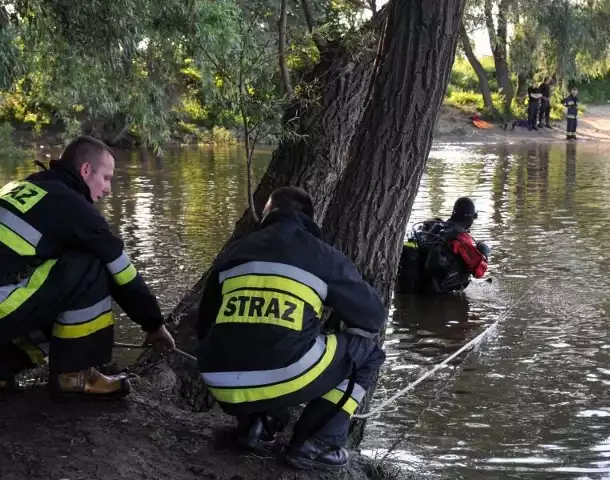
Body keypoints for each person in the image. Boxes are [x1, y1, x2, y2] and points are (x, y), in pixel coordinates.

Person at [195, 186, 386, 470]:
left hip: (219, 381)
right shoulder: (321, 255)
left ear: (267, 214)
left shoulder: (235, 251)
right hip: (281, 373)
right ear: (311, 218)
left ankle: (258, 424)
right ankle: (317, 443)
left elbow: (204, 324)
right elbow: (373, 316)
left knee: (262, 341)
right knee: (369, 354)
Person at [0, 135, 175, 399]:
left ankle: (3, 366)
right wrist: (154, 324)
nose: (108, 190)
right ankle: (76, 373)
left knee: (51, 277)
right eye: (106, 178)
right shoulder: (73, 206)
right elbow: (123, 273)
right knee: (91, 263)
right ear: (85, 171)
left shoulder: (21, 187)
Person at [397, 197, 489, 295]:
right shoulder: (460, 237)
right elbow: (479, 272)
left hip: (416, 284)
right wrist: (484, 254)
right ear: (470, 218)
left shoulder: (435, 226)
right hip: (436, 291)